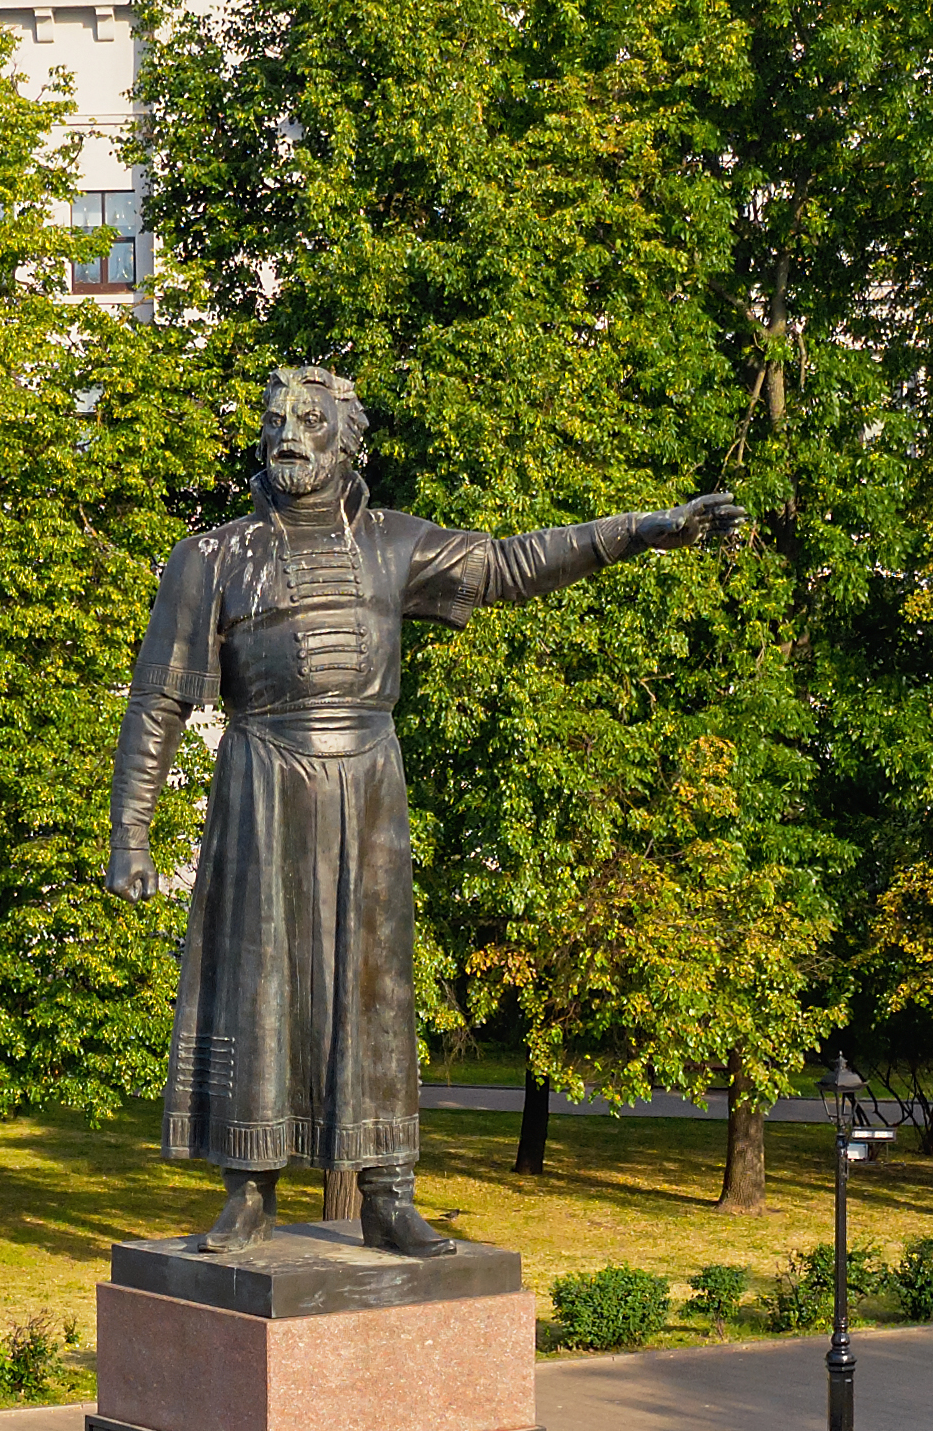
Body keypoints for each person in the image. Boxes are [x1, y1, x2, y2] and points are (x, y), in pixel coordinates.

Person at [105, 368, 736, 1254]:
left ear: (346, 442)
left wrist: (642, 531)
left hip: (368, 787)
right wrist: (130, 830)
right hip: (261, 787)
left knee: (378, 985)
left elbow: (510, 564)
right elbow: (158, 701)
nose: (289, 434)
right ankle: (249, 1190)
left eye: (312, 422)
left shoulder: (395, 546)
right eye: (277, 419)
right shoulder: (212, 558)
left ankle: (388, 1189)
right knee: (259, 985)